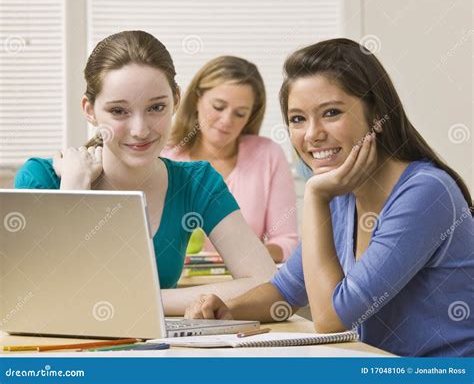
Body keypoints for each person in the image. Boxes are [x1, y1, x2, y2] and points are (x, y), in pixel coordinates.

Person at [183, 38, 474, 357]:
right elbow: (284, 291)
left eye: (331, 112)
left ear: (376, 113)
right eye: (298, 119)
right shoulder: (341, 193)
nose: (312, 134)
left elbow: (330, 319)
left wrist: (315, 194)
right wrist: (226, 310)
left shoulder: (425, 191)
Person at [14, 30, 276, 316]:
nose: (140, 130)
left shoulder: (196, 182)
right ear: (89, 110)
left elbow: (269, 286)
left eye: (156, 107)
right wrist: (74, 190)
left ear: (176, 99)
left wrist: (145, 299)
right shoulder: (43, 180)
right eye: (119, 111)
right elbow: (31, 301)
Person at [162, 56, 298, 262]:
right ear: (197, 99)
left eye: (240, 113)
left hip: (244, 286)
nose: (227, 121)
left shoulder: (268, 155)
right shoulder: (164, 155)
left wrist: (247, 256)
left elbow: (287, 242)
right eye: (218, 107)